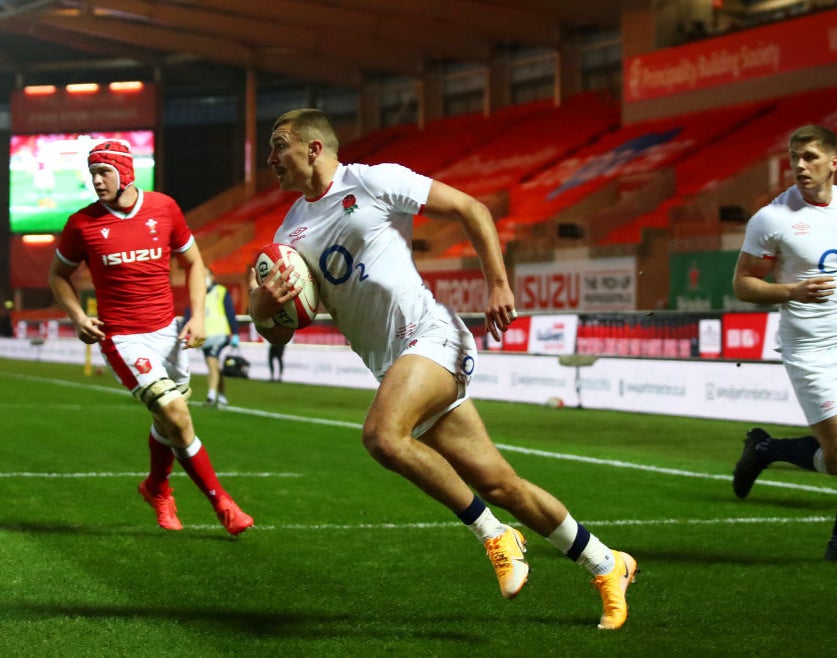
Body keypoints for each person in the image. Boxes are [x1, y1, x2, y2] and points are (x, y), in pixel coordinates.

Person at [247, 109, 638, 629]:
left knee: (384, 437)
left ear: (314, 147)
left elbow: (471, 208)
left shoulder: (372, 179)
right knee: (502, 484)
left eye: (279, 146)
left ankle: (495, 536)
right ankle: (607, 564)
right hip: (397, 367)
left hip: (434, 337)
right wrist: (261, 308)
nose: (271, 159)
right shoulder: (289, 231)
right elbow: (282, 328)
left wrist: (497, 284)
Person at [48, 139, 254, 536]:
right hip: (123, 339)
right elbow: (58, 275)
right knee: (176, 413)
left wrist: (195, 317)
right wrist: (76, 317)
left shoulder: (164, 208)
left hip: (169, 333)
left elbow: (194, 263)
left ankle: (156, 487)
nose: (96, 180)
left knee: (168, 418)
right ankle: (222, 503)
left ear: (126, 172)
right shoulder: (81, 224)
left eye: (103, 171)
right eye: (92, 173)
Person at [732, 124, 837, 562]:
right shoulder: (772, 219)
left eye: (810, 157)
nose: (799, 165)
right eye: (795, 157)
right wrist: (792, 291)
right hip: (809, 353)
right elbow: (743, 284)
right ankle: (767, 449)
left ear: (834, 162)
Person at [185, 267, 240, 406]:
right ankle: (221, 395)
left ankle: (211, 395)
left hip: (220, 335)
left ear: (212, 276)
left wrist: (235, 333)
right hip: (204, 337)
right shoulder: (196, 294)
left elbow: (230, 312)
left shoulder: (221, 291)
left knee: (211, 362)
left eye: (206, 274)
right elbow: (189, 312)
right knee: (214, 366)